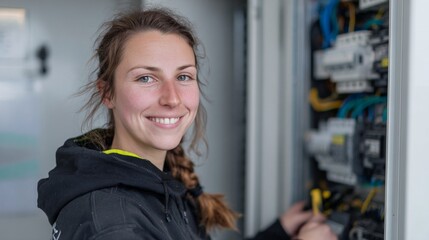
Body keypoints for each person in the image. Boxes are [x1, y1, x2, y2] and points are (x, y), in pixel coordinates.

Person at [37, 8, 337, 240]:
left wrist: (279, 234)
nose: (172, 98)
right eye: (146, 78)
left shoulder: (152, 181)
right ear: (108, 93)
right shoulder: (114, 223)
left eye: (183, 76)